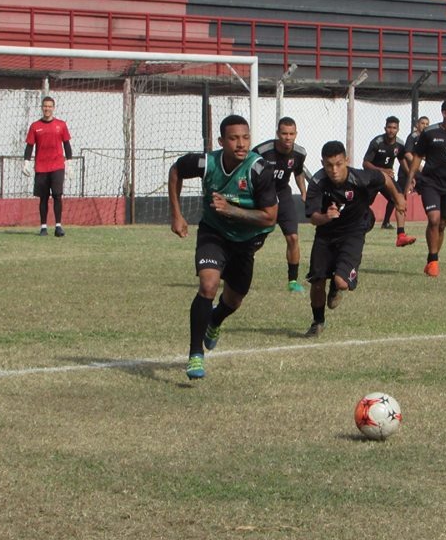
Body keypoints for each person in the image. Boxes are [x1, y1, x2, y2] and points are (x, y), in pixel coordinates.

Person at [168, 114, 278, 379]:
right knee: (208, 285)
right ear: (221, 141)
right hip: (213, 233)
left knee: (234, 300)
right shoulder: (207, 163)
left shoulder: (259, 170)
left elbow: (270, 217)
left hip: (247, 241)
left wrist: (232, 210)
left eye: (245, 138)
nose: (241, 144)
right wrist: (176, 214)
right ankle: (195, 354)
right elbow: (176, 170)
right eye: (234, 138)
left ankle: (215, 320)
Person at [303, 140, 406, 337]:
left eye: (338, 164)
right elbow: (313, 218)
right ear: (322, 163)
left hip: (353, 232)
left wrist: (397, 197)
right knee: (317, 282)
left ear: (346, 160)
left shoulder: (360, 177)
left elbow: (384, 178)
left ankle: (336, 286)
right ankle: (318, 322)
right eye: (328, 165)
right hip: (326, 234)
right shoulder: (317, 183)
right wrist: (326, 216)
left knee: (341, 282)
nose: (334, 170)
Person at [404, 99, 446, 277]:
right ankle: (434, 262)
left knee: (442, 224)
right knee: (434, 219)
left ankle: (431, 258)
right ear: (444, 113)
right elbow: (417, 157)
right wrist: (411, 178)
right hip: (429, 183)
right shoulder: (430, 133)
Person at [252, 117, 309, 292]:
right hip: (262, 196)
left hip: (283, 194)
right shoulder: (261, 151)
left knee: (293, 238)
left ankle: (292, 281)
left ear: (296, 134)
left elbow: (298, 173)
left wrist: (304, 193)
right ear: (278, 134)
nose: (288, 137)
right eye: (284, 133)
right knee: (254, 242)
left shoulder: (299, 153)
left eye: (291, 134)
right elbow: (247, 171)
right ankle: (234, 269)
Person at [22, 95, 72, 237]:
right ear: (42, 108)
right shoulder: (35, 126)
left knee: (57, 195)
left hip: (57, 165)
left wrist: (69, 163)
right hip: (41, 167)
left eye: (50, 106)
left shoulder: (61, 125)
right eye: (45, 106)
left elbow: (67, 145)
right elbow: (29, 146)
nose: (47, 109)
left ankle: (58, 227)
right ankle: (43, 227)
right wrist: (26, 162)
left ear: (53, 108)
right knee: (43, 197)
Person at [362, 115, 415, 247]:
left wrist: (411, 176)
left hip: (387, 180)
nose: (391, 130)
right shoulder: (377, 142)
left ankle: (401, 235)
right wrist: (383, 170)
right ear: (385, 128)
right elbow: (365, 163)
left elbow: (402, 161)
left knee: (399, 200)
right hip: (372, 178)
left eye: (394, 128)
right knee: (362, 204)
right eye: (389, 127)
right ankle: (353, 231)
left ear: (398, 129)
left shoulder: (400, 144)